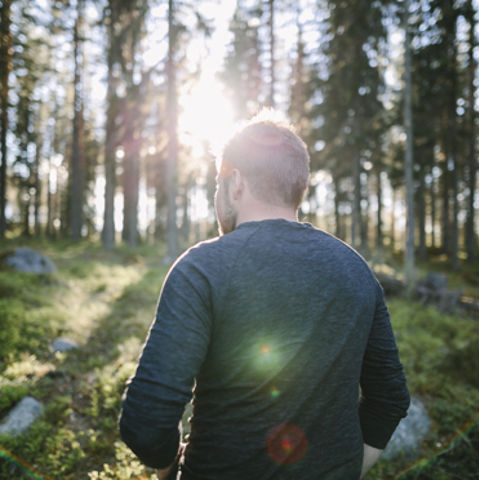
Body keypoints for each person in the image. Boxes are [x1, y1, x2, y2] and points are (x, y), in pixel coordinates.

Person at [119, 110, 410, 480]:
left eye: (217, 183)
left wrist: (168, 472)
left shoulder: (203, 268)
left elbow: (146, 418)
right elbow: (391, 399)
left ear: (235, 182)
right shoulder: (357, 270)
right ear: (296, 185)